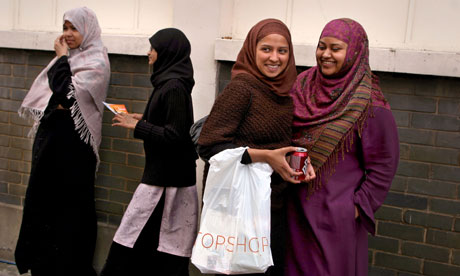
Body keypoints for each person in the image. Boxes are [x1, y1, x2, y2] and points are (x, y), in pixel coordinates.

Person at [197, 19, 315, 275]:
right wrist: (265, 157)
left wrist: (297, 160)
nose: (274, 58)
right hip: (237, 211)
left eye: (282, 51)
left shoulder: (284, 93)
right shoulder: (241, 89)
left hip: (270, 208)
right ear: (252, 49)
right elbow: (207, 147)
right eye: (266, 49)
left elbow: (275, 142)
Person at [286, 18, 399, 276]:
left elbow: (384, 164)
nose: (325, 54)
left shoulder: (368, 101)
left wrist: (357, 207)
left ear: (355, 52)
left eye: (335, 48)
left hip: (337, 218)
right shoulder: (303, 85)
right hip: (295, 211)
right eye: (321, 46)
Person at [15, 7, 110, 276]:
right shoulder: (68, 59)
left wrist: (61, 60)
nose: (67, 34)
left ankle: (69, 267)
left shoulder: (97, 62)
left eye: (74, 28)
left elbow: (66, 94)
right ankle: (41, 263)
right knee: (42, 200)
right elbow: (53, 95)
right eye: (65, 27)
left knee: (71, 205)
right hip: (51, 136)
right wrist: (63, 61)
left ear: (87, 29)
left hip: (75, 143)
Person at [100, 28, 198, 276]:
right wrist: (144, 118)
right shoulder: (168, 82)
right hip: (163, 180)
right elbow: (171, 123)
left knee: (135, 246)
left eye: (152, 48)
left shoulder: (174, 86)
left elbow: (176, 135)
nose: (148, 53)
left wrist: (139, 126)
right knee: (148, 248)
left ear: (166, 51)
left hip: (166, 185)